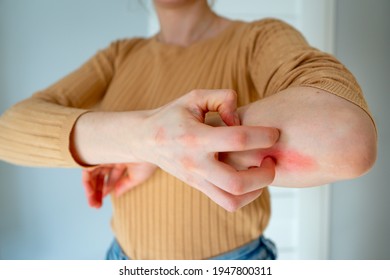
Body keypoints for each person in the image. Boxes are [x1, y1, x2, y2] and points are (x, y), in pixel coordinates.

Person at [0, 0, 377, 260]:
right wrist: (146, 143)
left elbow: (345, 136)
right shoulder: (119, 56)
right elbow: (10, 131)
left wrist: (159, 147)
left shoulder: (259, 39)